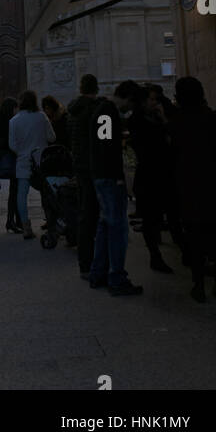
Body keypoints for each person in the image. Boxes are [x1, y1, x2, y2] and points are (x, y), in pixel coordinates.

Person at [170, 76, 216, 302]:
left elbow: (173, 153)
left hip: (189, 185)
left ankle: (198, 285)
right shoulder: (213, 118)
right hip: (214, 184)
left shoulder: (177, 121)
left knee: (194, 236)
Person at [88, 81, 143, 297]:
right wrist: (118, 177)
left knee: (105, 225)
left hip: (101, 175)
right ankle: (117, 277)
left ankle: (98, 272)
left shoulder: (104, 110)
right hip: (108, 178)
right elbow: (105, 145)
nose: (129, 108)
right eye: (130, 102)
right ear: (126, 96)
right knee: (118, 228)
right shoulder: (107, 112)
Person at [127, 85, 181, 274]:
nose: (155, 102)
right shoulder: (137, 121)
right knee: (151, 220)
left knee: (172, 215)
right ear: (142, 102)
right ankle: (155, 256)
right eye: (151, 99)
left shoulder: (157, 117)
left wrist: (163, 118)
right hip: (150, 176)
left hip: (164, 173)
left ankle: (185, 252)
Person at [8, 90, 54, 239]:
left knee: (22, 194)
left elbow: (12, 145)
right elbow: (52, 137)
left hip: (23, 160)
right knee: (46, 193)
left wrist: (22, 151)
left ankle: (26, 226)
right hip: (41, 160)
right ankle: (51, 223)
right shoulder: (41, 117)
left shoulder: (14, 121)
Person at [68, 74, 100, 279]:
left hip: (79, 165)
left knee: (85, 213)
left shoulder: (72, 112)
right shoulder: (98, 111)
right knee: (96, 214)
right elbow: (104, 140)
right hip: (95, 167)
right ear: (96, 89)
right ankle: (94, 263)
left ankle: (85, 262)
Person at [0, 97, 22, 232]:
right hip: (12, 159)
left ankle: (15, 220)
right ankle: (13, 221)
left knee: (14, 191)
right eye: (16, 108)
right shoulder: (11, 123)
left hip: (5, 158)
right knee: (15, 191)